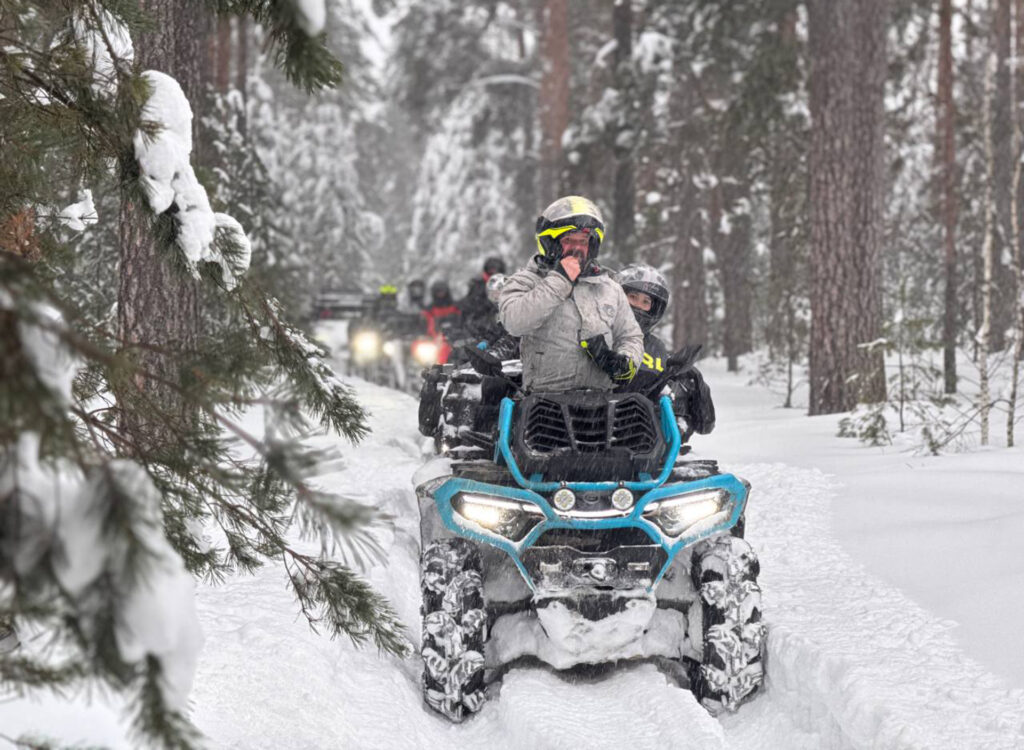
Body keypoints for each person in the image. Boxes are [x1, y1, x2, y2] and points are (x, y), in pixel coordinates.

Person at [498, 196, 642, 391]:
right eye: (568, 240)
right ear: (551, 243)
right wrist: (559, 280)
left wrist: (625, 362)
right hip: (544, 402)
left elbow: (630, 336)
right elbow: (515, 322)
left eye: (583, 241)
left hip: (601, 403)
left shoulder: (609, 287)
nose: (577, 248)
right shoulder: (526, 281)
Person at [615, 263, 716, 438]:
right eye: (632, 297)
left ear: (654, 308)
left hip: (641, 435)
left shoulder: (655, 347)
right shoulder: (597, 334)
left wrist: (682, 375)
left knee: (685, 380)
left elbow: (705, 425)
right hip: (586, 424)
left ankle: (673, 431)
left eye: (645, 301)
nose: (638, 306)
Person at [458, 256, 506, 342]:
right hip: (479, 328)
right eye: (491, 268)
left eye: (496, 269)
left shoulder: (508, 284)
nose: (493, 271)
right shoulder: (477, 285)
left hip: (501, 328)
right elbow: (467, 307)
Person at [422, 279, 462, 364]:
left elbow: (462, 321)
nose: (440, 293)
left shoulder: (456, 307)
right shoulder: (429, 309)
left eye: (442, 291)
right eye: (438, 291)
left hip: (456, 339)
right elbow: (426, 324)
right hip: (436, 341)